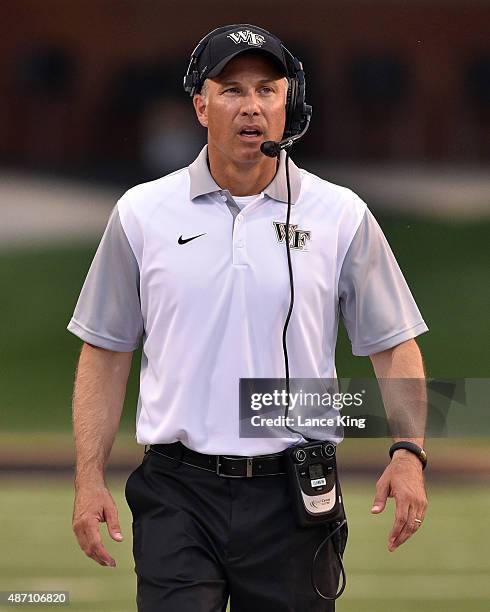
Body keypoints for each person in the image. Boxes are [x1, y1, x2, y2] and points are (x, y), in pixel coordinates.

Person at [68, 24, 429, 612]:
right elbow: (105, 352)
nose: (252, 106)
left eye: (268, 89)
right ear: (200, 104)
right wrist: (88, 478)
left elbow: (393, 345)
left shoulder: (342, 215)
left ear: (291, 104)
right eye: (232, 89)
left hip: (295, 494)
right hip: (177, 492)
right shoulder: (140, 214)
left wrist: (408, 452)